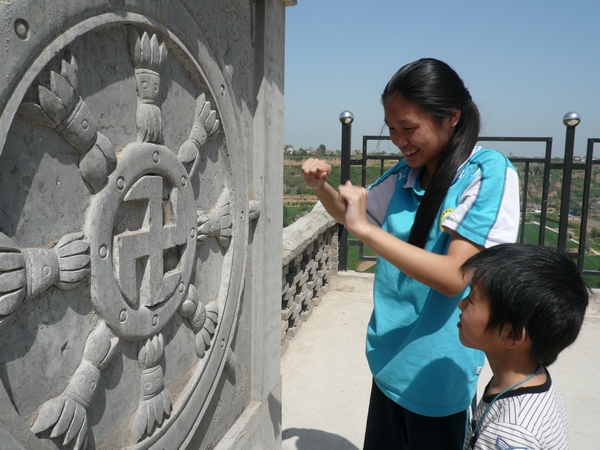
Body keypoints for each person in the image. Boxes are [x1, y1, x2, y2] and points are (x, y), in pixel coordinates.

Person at [301, 58, 520, 450]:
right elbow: (356, 216)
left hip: (437, 375)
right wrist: (323, 189)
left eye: (409, 128)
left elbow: (456, 276)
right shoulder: (407, 174)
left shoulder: (484, 173)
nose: (399, 140)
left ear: (452, 116)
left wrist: (366, 230)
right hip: (389, 358)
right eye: (391, 129)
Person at [458, 243, 589, 449]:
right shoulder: (529, 377)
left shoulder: (509, 433)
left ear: (511, 335)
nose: (461, 304)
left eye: (472, 299)